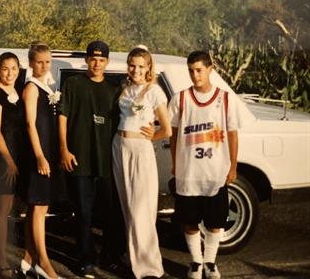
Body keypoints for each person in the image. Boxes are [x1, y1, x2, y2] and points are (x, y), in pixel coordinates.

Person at [168, 51, 241, 279]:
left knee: (214, 222)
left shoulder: (225, 98)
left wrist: (233, 166)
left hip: (214, 171)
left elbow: (232, 134)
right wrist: (175, 163)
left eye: (199, 70)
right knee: (189, 222)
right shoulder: (180, 98)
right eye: (191, 71)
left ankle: (210, 262)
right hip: (189, 171)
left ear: (210, 69)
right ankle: (196, 263)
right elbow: (173, 134)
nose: (195, 75)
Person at [58, 40, 125, 279]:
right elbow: (62, 117)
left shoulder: (114, 90)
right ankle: (85, 261)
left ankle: (110, 257)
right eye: (93, 59)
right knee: (83, 214)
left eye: (102, 59)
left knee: (110, 215)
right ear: (87, 60)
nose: (97, 63)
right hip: (79, 161)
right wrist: (64, 149)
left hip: (107, 162)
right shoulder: (73, 84)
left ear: (107, 62)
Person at [112, 46, 172, 279]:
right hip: (119, 146)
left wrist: (151, 136)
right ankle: (132, 257)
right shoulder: (125, 89)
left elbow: (166, 129)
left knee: (141, 208)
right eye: (132, 65)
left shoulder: (154, 91)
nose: (135, 70)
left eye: (140, 66)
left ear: (148, 68)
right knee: (127, 206)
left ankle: (150, 268)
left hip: (140, 149)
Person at [20, 42, 67, 279]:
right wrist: (40, 156)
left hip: (47, 151)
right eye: (39, 62)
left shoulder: (46, 86)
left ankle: (28, 258)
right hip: (38, 155)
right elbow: (30, 124)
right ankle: (44, 263)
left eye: (47, 61)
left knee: (36, 207)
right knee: (39, 208)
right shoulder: (31, 88)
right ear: (31, 63)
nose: (44, 66)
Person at [0, 52, 25, 278]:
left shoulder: (18, 91)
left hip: (16, 156)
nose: (10, 73)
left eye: (14, 68)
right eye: (5, 68)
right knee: (0, 210)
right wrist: (9, 161)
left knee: (8, 207)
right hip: (2, 159)